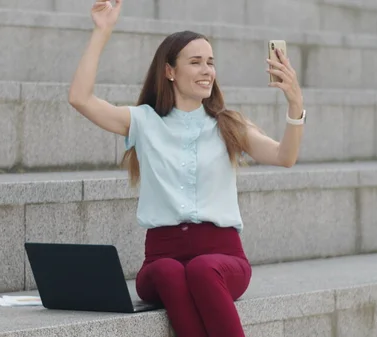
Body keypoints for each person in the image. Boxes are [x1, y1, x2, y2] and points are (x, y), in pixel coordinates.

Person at [68, 1, 305, 336]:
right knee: (168, 270)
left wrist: (296, 105)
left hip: (223, 259)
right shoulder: (145, 122)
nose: (207, 70)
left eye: (210, 62)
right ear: (170, 71)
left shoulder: (228, 124)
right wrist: (102, 31)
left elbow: (285, 156)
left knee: (202, 269)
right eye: (195, 62)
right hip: (161, 259)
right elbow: (80, 98)